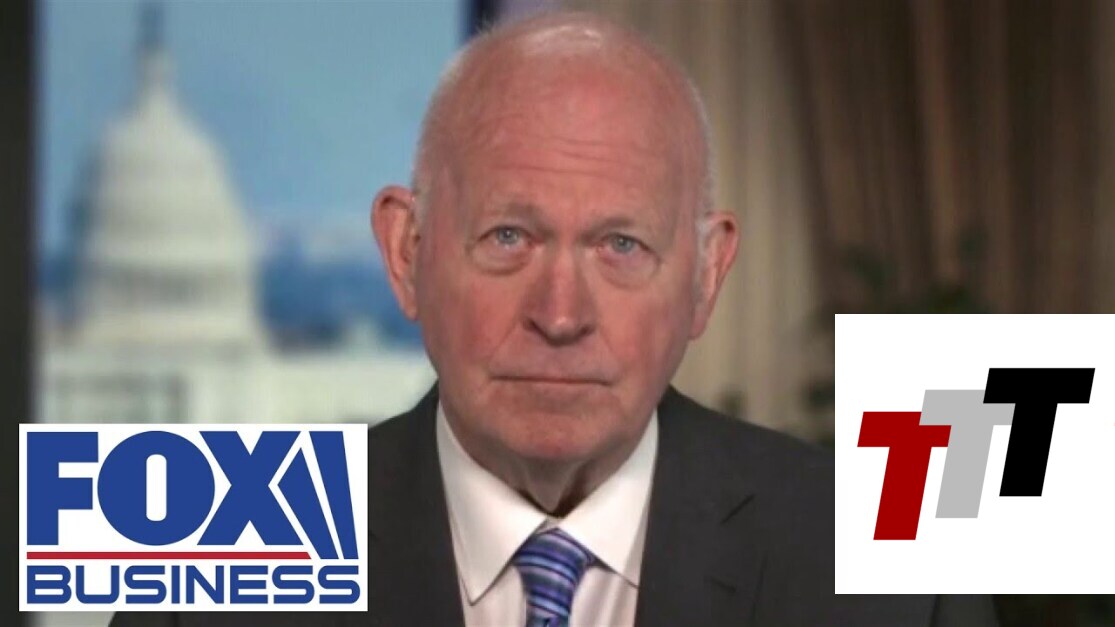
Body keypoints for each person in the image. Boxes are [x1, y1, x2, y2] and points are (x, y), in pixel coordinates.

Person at [111, 10, 998, 627]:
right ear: (407, 251)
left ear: (705, 274)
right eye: (508, 237)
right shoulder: (215, 567)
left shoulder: (894, 571)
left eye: (621, 246)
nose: (561, 314)